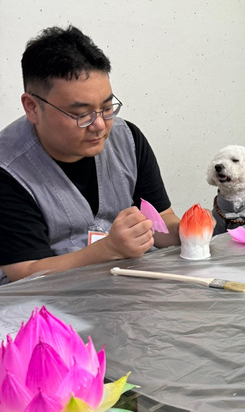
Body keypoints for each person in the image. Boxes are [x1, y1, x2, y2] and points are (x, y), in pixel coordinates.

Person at [0, 26, 180, 284]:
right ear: (32, 107)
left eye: (107, 107)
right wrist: (109, 250)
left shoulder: (127, 139)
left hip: (124, 290)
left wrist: (184, 232)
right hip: (45, 305)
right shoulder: (8, 170)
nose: (100, 125)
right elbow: (26, 272)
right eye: (81, 114)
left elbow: (161, 221)